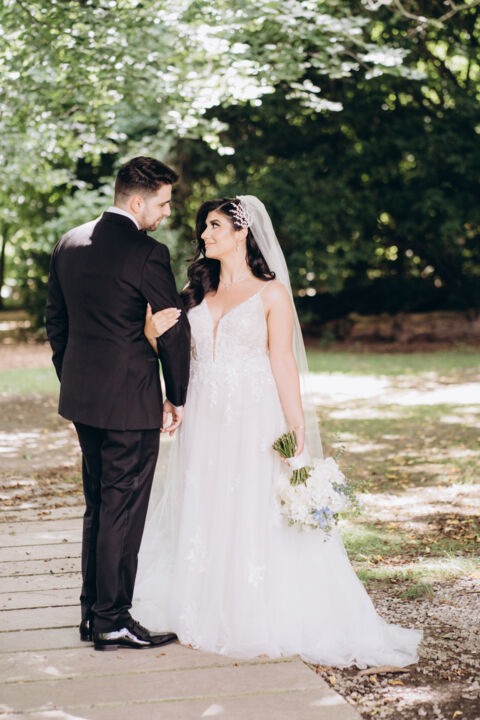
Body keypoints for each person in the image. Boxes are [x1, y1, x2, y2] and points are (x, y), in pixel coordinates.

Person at [133, 195, 422, 668]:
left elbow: (283, 361)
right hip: (204, 415)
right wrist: (155, 348)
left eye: (215, 225)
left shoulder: (272, 294)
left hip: (255, 415)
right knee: (206, 503)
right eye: (204, 227)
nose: (204, 235)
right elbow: (175, 350)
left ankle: (256, 612)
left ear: (242, 232)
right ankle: (204, 606)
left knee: (254, 504)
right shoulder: (195, 291)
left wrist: (296, 424)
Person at [45, 156, 190, 651]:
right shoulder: (147, 253)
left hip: (83, 399)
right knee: (122, 509)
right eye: (163, 203)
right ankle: (112, 619)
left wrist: (75, 378)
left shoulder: (69, 243)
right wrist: (177, 395)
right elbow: (172, 328)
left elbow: (56, 322)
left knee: (99, 504)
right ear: (137, 201)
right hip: (130, 401)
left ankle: (92, 613)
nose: (166, 212)